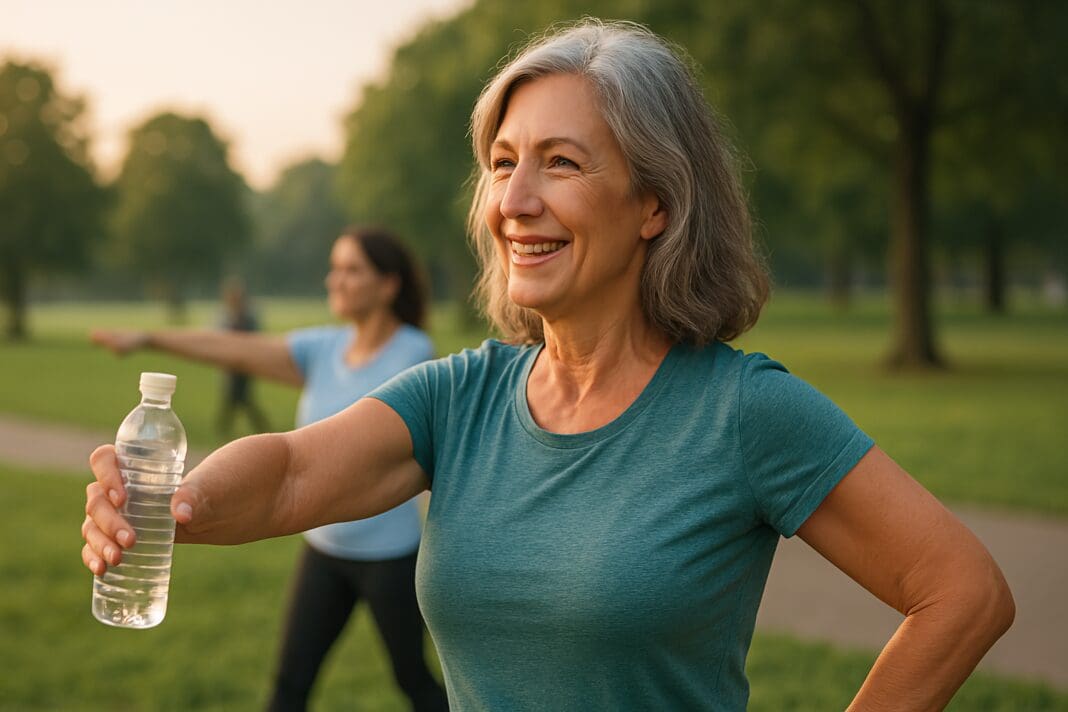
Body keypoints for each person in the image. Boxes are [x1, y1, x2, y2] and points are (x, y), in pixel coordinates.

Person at [82, 20, 1014, 711]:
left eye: (560, 163)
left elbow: (963, 593)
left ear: (654, 202)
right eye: (501, 162)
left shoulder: (743, 412)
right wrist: (173, 506)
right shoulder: (462, 396)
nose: (514, 201)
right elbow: (289, 475)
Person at [89, 227, 448, 712]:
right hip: (323, 550)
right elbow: (234, 349)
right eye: (333, 267)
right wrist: (150, 337)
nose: (334, 280)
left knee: (415, 683)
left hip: (389, 558)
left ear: (389, 285)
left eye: (351, 270)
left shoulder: (413, 353)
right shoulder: (323, 349)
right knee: (288, 687)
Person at [216, 276, 271, 438]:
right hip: (231, 367)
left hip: (245, 365)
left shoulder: (248, 317)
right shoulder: (225, 317)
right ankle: (224, 429)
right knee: (234, 400)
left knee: (243, 400)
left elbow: (256, 338)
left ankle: (224, 428)